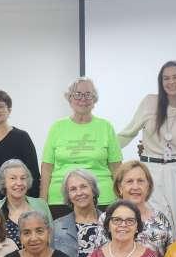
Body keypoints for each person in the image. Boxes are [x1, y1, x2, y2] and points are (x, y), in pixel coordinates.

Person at [119, 61, 176, 238]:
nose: (171, 82)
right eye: (166, 78)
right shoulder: (150, 102)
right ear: (161, 81)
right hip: (149, 170)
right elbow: (128, 132)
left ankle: (175, 255)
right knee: (149, 223)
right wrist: (104, 149)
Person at [41, 78, 122, 219]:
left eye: (88, 94)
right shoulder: (57, 127)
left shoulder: (106, 127)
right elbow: (47, 167)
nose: (83, 99)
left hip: (102, 198)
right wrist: (42, 201)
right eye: (77, 94)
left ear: (94, 99)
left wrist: (122, 199)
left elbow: (117, 168)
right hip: (60, 199)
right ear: (69, 98)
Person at [0, 90, 40, 201]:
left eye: (0, 106)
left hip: (18, 200)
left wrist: (30, 201)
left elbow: (33, 173)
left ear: (9, 110)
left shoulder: (22, 137)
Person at [103, 160, 173, 257]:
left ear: (148, 186)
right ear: (120, 187)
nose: (135, 187)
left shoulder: (160, 219)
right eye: (129, 181)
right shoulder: (107, 218)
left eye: (140, 181)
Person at [0, 159, 51, 248]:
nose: (19, 183)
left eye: (23, 178)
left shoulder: (41, 205)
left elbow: (50, 237)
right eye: (13, 178)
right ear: (3, 182)